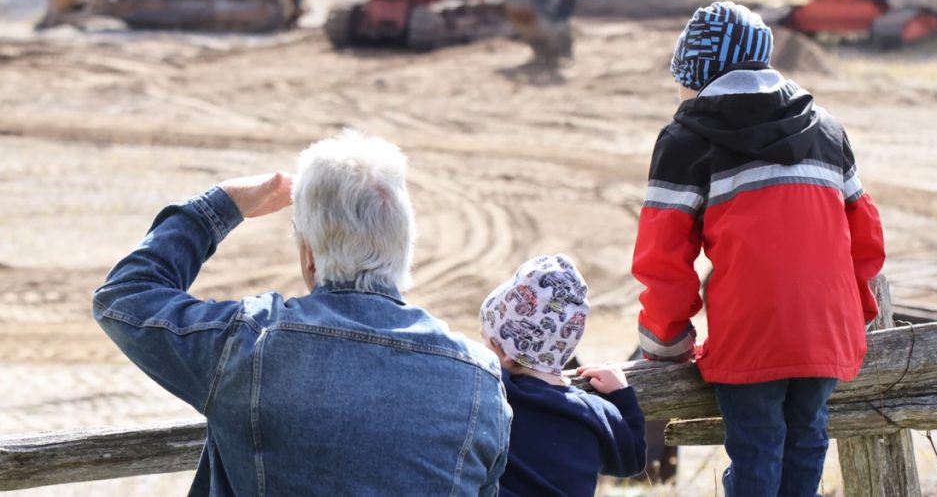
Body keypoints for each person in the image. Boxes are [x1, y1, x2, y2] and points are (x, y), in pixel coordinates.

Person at [94, 130, 512, 496]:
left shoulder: (251, 346)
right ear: (403, 249)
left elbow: (125, 296)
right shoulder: (478, 379)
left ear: (309, 256)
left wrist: (219, 207)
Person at [631, 1, 885, 497]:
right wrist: (857, 318)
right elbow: (867, 237)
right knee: (807, 442)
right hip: (824, 332)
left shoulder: (686, 138)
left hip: (750, 332)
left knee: (756, 449)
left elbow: (663, 258)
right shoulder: (827, 129)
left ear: (699, 72)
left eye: (682, 78)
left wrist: (666, 344)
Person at [479, 253, 647, 496]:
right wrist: (621, 396)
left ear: (504, 353)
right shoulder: (594, 414)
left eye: (486, 342)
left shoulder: (498, 392)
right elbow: (633, 458)